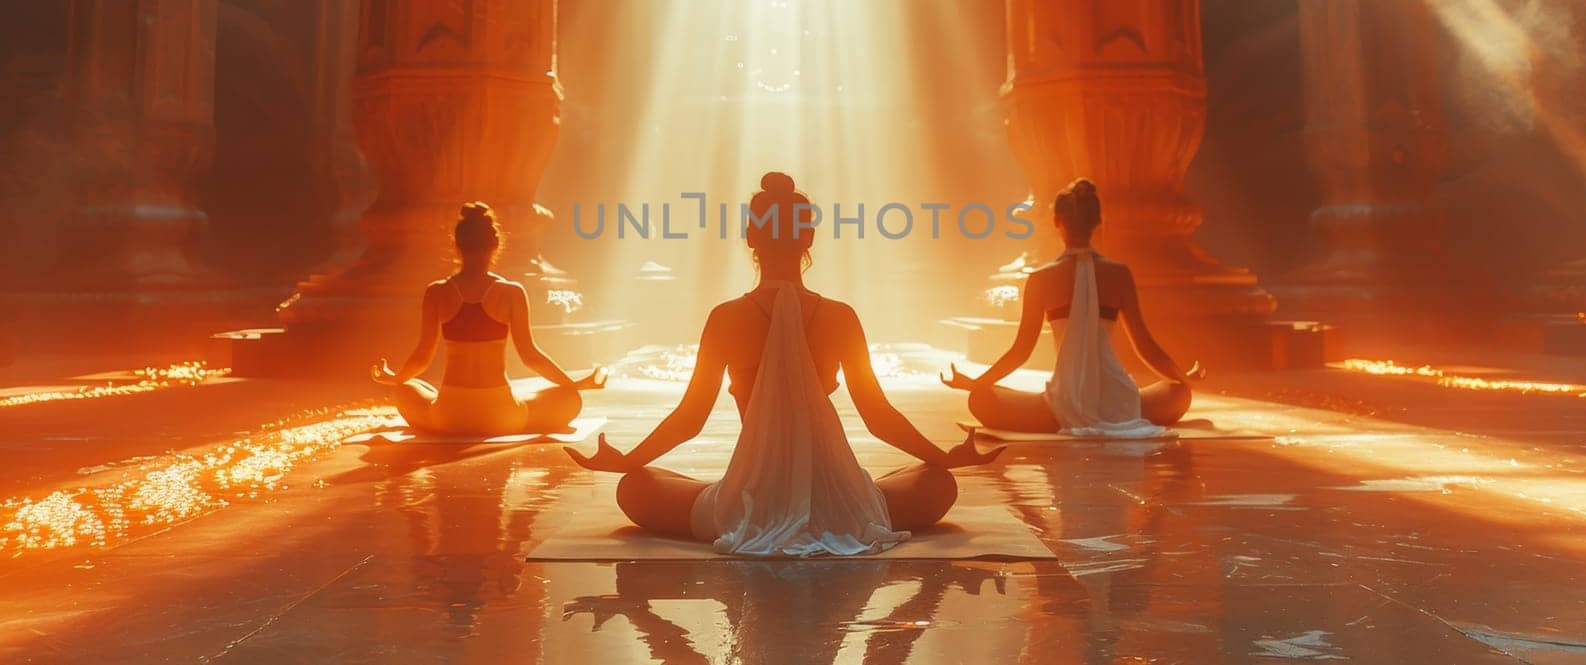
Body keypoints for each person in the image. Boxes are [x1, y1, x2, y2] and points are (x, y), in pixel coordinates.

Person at [567, 172, 1001, 557]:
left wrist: (628, 461)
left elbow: (690, 419)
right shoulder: (839, 317)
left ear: (751, 238)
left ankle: (726, 508)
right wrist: (944, 457)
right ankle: (874, 494)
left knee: (636, 488)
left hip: (749, 501)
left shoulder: (726, 318)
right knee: (937, 482)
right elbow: (879, 417)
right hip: (839, 499)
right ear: (808, 238)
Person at [943, 179, 1201, 435]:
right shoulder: (1119, 274)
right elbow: (1146, 346)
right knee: (1179, 393)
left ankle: (1061, 419)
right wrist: (1184, 378)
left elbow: (1021, 351)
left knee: (980, 399)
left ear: (1057, 223)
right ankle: (1106, 413)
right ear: (1098, 223)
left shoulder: (1041, 278)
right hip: (1120, 401)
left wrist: (977, 383)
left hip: (1060, 405)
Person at [371, 202, 605, 435]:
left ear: (456, 245)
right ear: (495, 244)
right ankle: (523, 410)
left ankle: (438, 411)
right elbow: (530, 356)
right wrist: (573, 384)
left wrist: (396, 377)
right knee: (569, 398)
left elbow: (422, 357)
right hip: (503, 416)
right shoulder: (512, 292)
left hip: (448, 417)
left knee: (404, 389)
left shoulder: (437, 292)